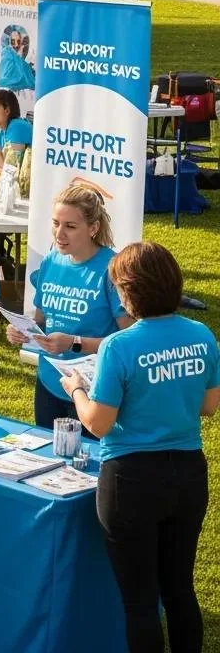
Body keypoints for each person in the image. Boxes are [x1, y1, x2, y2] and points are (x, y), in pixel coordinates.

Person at [60, 242, 220, 653]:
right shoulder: (201, 335)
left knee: (140, 602)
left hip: (130, 480)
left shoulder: (119, 346)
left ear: (127, 293)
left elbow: (97, 423)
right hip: (187, 475)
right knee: (180, 589)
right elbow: (208, 406)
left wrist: (78, 389)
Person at [5, 184, 130, 429]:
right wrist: (22, 331)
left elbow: (128, 341)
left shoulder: (112, 269)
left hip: (95, 390)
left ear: (93, 228)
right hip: (50, 383)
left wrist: (74, 342)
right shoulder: (51, 260)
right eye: (55, 223)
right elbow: (41, 320)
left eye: (70, 226)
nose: (59, 234)